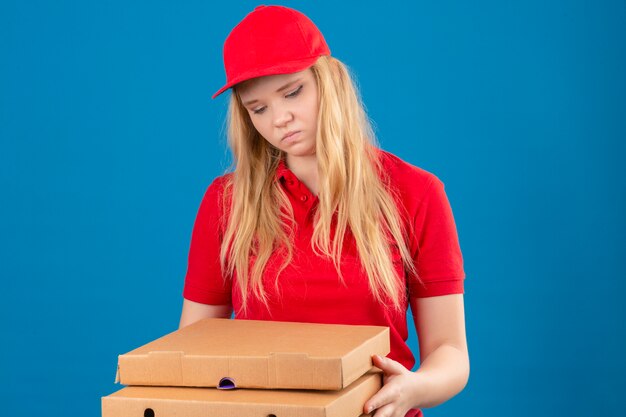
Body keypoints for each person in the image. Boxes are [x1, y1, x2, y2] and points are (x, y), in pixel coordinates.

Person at [179, 5, 469, 417]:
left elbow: (450, 351)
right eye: (257, 108)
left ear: (329, 80)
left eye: (292, 92)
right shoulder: (226, 203)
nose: (280, 119)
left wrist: (413, 388)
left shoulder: (416, 192)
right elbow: (194, 347)